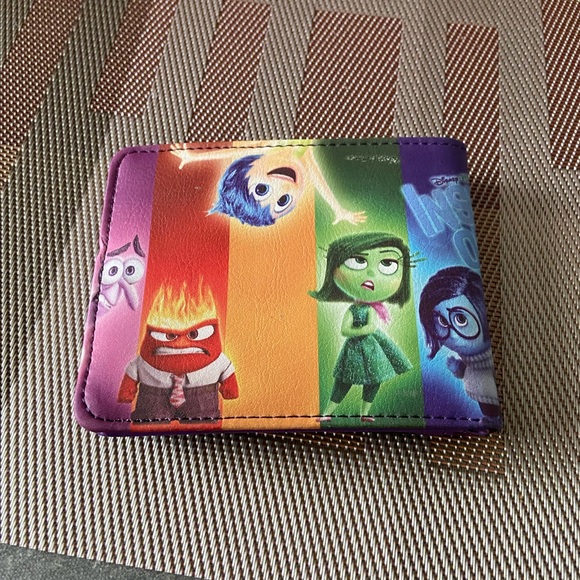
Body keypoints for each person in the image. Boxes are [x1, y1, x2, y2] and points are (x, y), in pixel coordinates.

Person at [310, 232, 413, 422]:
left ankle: (364, 413)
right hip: (353, 351)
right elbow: (345, 330)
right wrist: (362, 330)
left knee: (375, 379)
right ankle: (327, 413)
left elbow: (371, 327)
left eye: (387, 263)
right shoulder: (353, 309)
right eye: (357, 261)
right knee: (343, 380)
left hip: (373, 351)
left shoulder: (372, 309)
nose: (371, 274)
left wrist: (362, 330)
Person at [418, 266, 500, 417]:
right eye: (442, 321)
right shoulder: (470, 360)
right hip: (477, 393)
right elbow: (470, 368)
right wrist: (458, 368)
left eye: (461, 319)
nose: (454, 335)